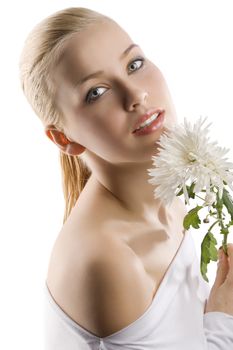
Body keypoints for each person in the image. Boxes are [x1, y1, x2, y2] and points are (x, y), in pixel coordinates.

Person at [19, 6, 233, 350]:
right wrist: (223, 321)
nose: (136, 96)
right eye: (96, 93)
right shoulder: (107, 259)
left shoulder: (168, 192)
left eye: (134, 64)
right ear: (64, 138)